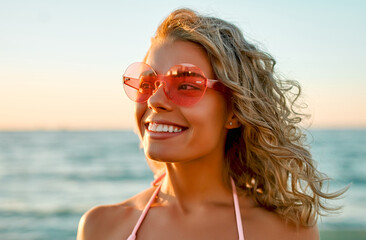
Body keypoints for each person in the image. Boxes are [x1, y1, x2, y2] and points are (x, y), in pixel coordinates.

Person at [77, 8, 346, 240]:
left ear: (234, 110)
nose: (154, 100)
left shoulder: (288, 231)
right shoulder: (101, 228)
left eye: (185, 85)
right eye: (147, 84)